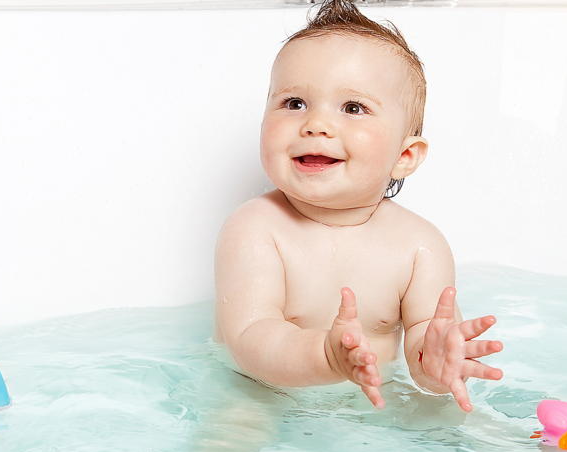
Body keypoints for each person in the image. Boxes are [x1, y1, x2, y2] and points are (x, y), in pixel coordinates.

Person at [214, 0, 504, 412]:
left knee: (458, 430)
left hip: (375, 402)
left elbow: (427, 344)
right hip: (262, 397)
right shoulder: (256, 227)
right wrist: (325, 357)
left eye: (353, 108)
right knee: (229, 442)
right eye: (294, 102)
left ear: (405, 156)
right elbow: (249, 338)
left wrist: (437, 365)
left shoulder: (420, 246)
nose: (315, 124)